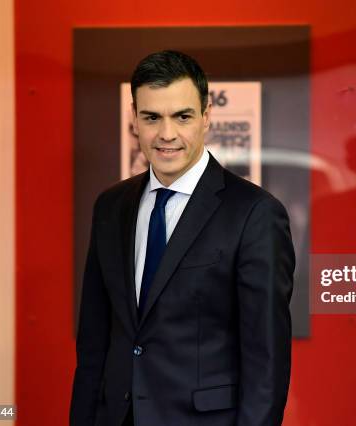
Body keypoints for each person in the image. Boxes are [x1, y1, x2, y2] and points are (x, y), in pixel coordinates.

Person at [69, 50, 295, 426]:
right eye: (152, 117)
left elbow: (266, 364)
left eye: (183, 116)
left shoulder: (255, 214)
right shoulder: (110, 207)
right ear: (134, 119)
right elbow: (94, 344)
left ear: (207, 117)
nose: (166, 134)